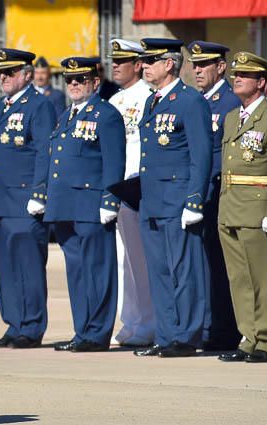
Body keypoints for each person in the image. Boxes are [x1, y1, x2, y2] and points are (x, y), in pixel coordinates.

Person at [133, 39, 213, 357]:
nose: (144, 66)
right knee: (159, 271)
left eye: (151, 60)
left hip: (178, 199)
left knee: (184, 271)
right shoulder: (151, 101)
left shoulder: (189, 101)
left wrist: (195, 199)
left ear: (169, 63)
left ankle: (186, 335)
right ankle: (166, 335)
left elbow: (201, 154)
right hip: (152, 199)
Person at [43, 57, 126, 352]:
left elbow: (114, 161)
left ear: (94, 82)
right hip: (65, 206)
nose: (74, 85)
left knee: (98, 270)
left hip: (91, 205)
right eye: (70, 80)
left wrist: (110, 199)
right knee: (77, 272)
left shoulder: (107, 115)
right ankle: (82, 330)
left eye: (81, 79)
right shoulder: (66, 115)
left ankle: (97, 333)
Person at [0, 48, 55, 349]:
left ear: (26, 74)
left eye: (9, 72)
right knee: (4, 269)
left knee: (28, 267)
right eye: (0, 73)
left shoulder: (40, 105)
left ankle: (32, 326)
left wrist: (39, 193)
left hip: (23, 201)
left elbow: (44, 151)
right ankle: (13, 323)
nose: (3, 77)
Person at [217, 52, 267, 363]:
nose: (238, 79)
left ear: (261, 83)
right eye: (236, 74)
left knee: (263, 278)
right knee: (239, 279)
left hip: (258, 211)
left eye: (245, 75)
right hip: (230, 208)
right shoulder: (233, 117)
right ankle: (249, 337)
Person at [187, 40, 243, 351]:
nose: (197, 70)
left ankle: (224, 330)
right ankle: (209, 326)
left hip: (220, 192)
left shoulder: (229, 102)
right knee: (203, 265)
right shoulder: (195, 100)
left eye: (204, 65)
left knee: (220, 265)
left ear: (221, 67)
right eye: (194, 65)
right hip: (200, 193)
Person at [107, 39, 155, 347]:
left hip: (139, 186)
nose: (115, 65)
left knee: (142, 259)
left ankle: (149, 322)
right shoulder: (115, 101)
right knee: (125, 259)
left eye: (121, 61)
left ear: (138, 65)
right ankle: (132, 319)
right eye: (114, 60)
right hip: (119, 187)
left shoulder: (149, 96)